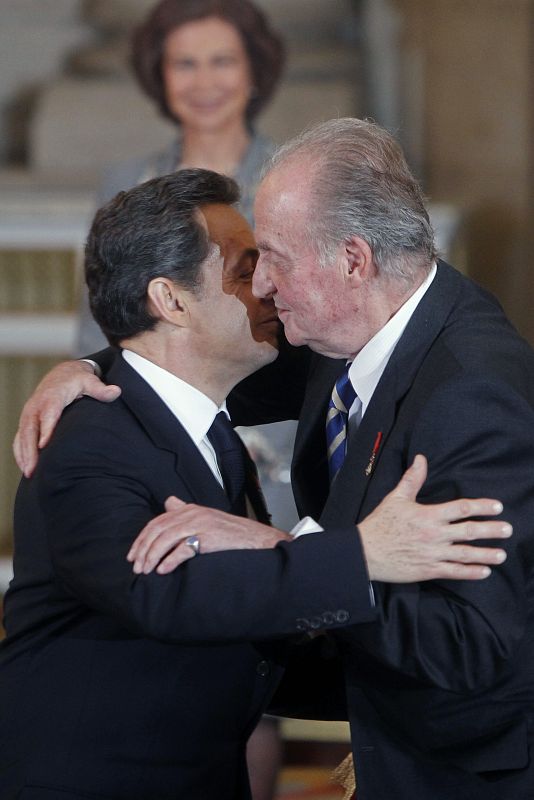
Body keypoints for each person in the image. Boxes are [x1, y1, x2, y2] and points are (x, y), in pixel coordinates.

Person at [14, 118, 534, 799]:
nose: (262, 285)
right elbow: (168, 357)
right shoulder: (339, 333)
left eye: (274, 257)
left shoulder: (471, 390)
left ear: (352, 259)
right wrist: (82, 366)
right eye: (247, 264)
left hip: (456, 772)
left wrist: (278, 546)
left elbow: (469, 643)